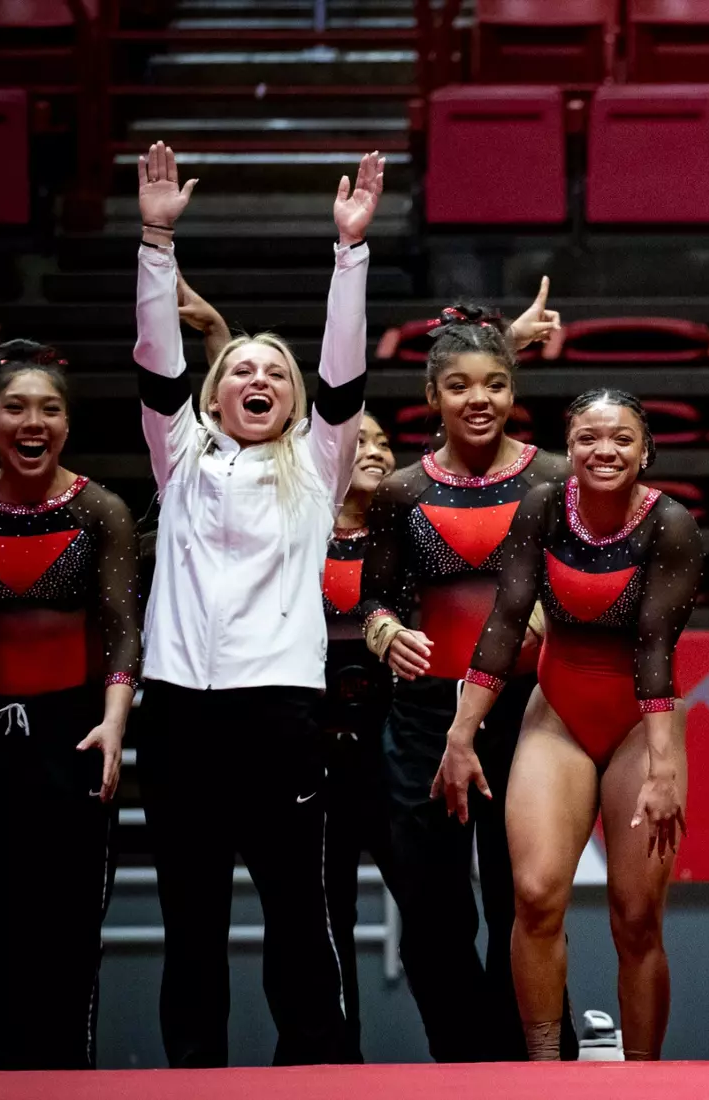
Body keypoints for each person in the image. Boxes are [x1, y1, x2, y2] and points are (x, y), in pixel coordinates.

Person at [133, 141, 384, 1066]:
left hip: (280, 714)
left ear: (294, 401)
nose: (260, 381)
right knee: (189, 928)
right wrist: (156, 242)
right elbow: (156, 362)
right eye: (242, 369)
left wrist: (350, 253)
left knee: (297, 920)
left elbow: (346, 372)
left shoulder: (316, 470)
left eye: (276, 374)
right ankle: (192, 1081)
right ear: (214, 392)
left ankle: (315, 1075)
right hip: (179, 718)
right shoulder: (181, 459)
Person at [440, 390, 703, 1061]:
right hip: (556, 717)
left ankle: (643, 1073)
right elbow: (505, 620)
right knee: (533, 895)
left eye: (621, 439)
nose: (604, 451)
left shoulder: (670, 524)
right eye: (588, 437)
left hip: (642, 728)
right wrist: (462, 731)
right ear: (569, 446)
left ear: (647, 451)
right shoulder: (542, 508)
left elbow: (653, 647)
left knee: (637, 918)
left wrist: (665, 769)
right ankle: (544, 1065)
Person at [357, 291, 579, 1062]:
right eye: (459, 386)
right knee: (431, 909)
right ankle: (462, 1061)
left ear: (513, 390)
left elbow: (593, 576)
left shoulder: (555, 479)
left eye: (493, 384)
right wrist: (384, 632)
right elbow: (375, 595)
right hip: (424, 717)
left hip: (529, 715)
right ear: (432, 397)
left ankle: (537, 1062)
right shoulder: (401, 493)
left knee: (525, 901)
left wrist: (558, 612)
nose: (477, 400)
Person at [0, 342, 138, 1069]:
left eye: (48, 408)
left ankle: (67, 1077)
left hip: (74, 736)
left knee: (67, 928)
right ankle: (15, 1071)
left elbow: (123, 630)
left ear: (67, 425)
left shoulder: (99, 509)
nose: (32, 420)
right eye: (16, 407)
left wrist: (112, 721)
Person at [320, 410, 400, 1060]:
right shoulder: (297, 534)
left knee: (435, 916)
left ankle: (470, 1065)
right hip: (314, 745)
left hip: (402, 741)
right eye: (358, 441)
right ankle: (331, 1063)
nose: (375, 449)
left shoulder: (414, 530)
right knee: (323, 921)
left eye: (382, 441)